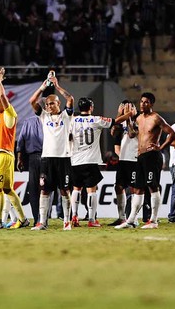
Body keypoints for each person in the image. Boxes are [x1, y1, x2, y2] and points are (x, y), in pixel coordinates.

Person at [116, 92, 175, 229]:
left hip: (152, 156)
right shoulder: (139, 118)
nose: (143, 104)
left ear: (152, 104)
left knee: (153, 186)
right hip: (140, 156)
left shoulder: (156, 118)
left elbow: (172, 133)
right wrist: (128, 119)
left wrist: (160, 147)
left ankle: (153, 221)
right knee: (137, 188)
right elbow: (132, 134)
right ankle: (131, 220)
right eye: (141, 101)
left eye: (146, 102)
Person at [0, 67, 30, 229]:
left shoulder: (10, 114)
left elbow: (2, 96)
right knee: (7, 189)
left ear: (4, 104)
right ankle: (23, 219)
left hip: (3, 154)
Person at [29, 71, 75, 230]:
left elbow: (70, 99)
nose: (48, 106)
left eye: (52, 103)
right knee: (45, 191)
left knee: (64, 190)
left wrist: (56, 86)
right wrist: (42, 87)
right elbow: (32, 101)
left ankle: (66, 222)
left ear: (58, 104)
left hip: (63, 158)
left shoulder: (66, 116)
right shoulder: (44, 117)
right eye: (47, 104)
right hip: (47, 159)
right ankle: (42, 222)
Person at [69, 97, 119, 228]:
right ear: (91, 107)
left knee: (76, 189)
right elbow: (115, 122)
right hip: (90, 160)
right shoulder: (97, 120)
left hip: (75, 160)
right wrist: (128, 114)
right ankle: (91, 219)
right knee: (92, 190)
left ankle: (74, 216)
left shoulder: (72, 120)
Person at [110, 100, 140, 226]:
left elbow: (133, 133)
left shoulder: (140, 120)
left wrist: (128, 118)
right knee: (119, 187)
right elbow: (113, 133)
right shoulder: (121, 123)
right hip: (123, 160)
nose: (128, 109)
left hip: (135, 159)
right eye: (125, 108)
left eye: (131, 107)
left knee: (135, 189)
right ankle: (122, 217)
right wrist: (119, 114)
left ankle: (134, 218)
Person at [16, 114, 43, 226]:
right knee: (47, 188)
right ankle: (44, 217)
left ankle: (37, 218)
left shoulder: (28, 121)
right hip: (48, 157)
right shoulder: (51, 120)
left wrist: (19, 159)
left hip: (33, 158)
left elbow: (20, 141)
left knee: (33, 190)